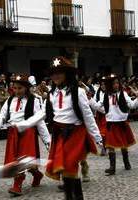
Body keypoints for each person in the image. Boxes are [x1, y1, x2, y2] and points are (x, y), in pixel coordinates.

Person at [45, 56, 102, 200]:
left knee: (70, 164)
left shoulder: (79, 92)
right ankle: (72, 196)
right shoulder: (51, 94)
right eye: (53, 73)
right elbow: (46, 114)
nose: (55, 76)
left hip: (75, 133)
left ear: (67, 74)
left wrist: (98, 138)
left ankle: (75, 196)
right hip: (59, 134)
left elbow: (88, 116)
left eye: (60, 72)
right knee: (65, 167)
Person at [0, 74, 51, 196]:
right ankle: (37, 174)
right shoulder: (9, 101)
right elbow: (2, 116)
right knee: (14, 160)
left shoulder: (33, 100)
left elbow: (39, 121)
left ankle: (17, 185)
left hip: (28, 133)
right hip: (13, 133)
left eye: (20, 88)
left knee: (25, 160)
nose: (17, 91)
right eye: (15, 88)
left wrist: (47, 140)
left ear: (27, 88)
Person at [89, 74, 138, 175]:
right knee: (110, 145)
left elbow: (132, 105)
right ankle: (112, 167)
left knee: (123, 144)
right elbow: (98, 106)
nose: (115, 85)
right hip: (111, 123)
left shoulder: (123, 94)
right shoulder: (105, 95)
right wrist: (90, 99)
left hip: (121, 123)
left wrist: (137, 98)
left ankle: (126, 162)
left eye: (117, 83)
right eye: (113, 83)